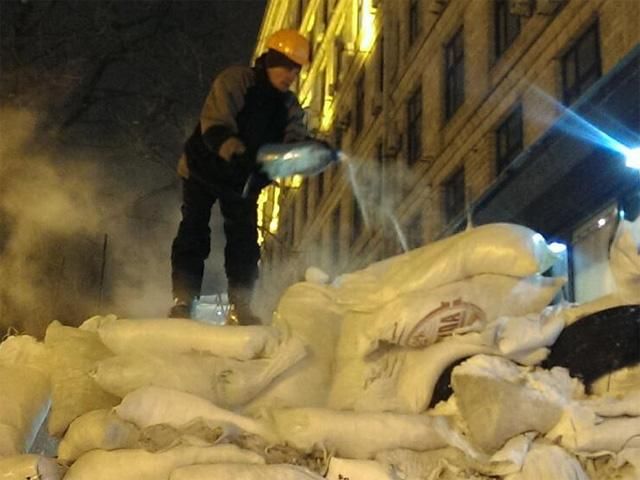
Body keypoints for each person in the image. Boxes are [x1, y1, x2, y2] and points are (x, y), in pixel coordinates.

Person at [169, 29, 315, 325]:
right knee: (194, 229)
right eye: (286, 67)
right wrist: (236, 153)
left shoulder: (289, 107)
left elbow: (293, 142)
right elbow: (216, 122)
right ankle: (184, 301)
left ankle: (242, 305)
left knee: (245, 239)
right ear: (270, 61)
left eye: (296, 71)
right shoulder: (236, 81)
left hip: (242, 179)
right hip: (203, 167)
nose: (291, 76)